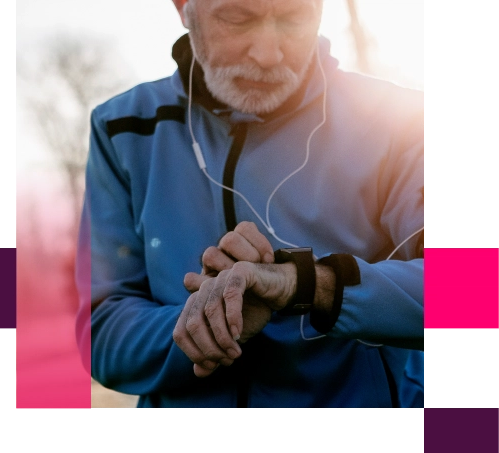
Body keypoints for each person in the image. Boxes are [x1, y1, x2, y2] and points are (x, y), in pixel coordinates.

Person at [75, 0, 425, 408]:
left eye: (294, 20)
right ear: (183, 8)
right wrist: (209, 324)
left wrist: (309, 285)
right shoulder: (122, 128)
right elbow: (99, 335)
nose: (268, 54)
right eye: (238, 19)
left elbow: (479, 297)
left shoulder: (399, 120)